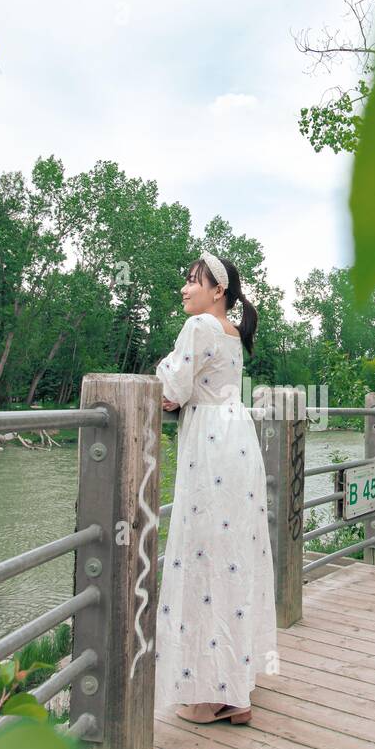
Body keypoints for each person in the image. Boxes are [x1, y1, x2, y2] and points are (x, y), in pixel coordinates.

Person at [153, 251, 277, 724]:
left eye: (193, 281)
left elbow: (173, 389)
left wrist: (165, 384)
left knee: (204, 560)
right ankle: (236, 689)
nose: (185, 289)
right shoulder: (231, 335)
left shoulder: (200, 328)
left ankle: (214, 694)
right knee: (232, 558)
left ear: (218, 290)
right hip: (237, 442)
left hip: (209, 447)